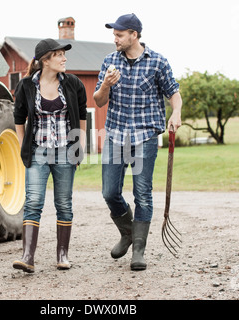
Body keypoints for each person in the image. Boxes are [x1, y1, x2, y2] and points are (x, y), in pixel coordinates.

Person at [94, 14, 183, 271]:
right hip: (115, 135)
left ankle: (139, 250)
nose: (115, 39)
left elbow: (174, 95)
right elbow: (99, 100)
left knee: (142, 193)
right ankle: (128, 233)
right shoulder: (109, 62)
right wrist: (107, 86)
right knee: (109, 192)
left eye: (119, 34)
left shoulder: (157, 62)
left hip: (145, 136)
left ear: (134, 34)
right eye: (114, 34)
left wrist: (175, 113)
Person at [13, 38, 87, 273]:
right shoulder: (26, 86)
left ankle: (62, 255)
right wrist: (22, 146)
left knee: (64, 204)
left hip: (66, 152)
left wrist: (79, 147)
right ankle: (27, 257)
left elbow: (82, 117)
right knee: (33, 202)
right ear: (46, 60)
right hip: (38, 153)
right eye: (59, 55)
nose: (64, 59)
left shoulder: (73, 84)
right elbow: (19, 119)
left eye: (64, 55)